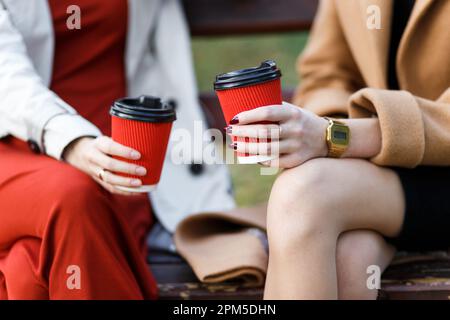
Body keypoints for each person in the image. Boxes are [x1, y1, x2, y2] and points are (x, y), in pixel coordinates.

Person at [0, 0, 234, 299]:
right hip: (18, 146)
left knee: (29, 266)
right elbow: (6, 80)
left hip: (121, 160)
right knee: (73, 195)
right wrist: (73, 143)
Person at [226, 0, 450, 299]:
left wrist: (336, 137)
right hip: (388, 182)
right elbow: (326, 75)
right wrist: (337, 143)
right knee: (348, 259)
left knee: (306, 192)